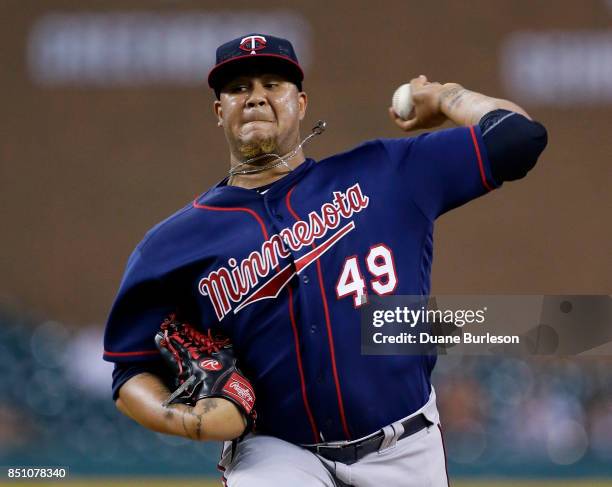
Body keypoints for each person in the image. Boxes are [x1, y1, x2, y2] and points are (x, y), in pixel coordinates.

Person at [103, 33, 548, 486]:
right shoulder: (173, 244)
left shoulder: (386, 173)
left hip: (404, 445)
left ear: (300, 102)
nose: (255, 98)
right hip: (277, 450)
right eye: (238, 89)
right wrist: (183, 420)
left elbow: (519, 138)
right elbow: (130, 368)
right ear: (220, 112)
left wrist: (446, 97)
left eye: (272, 84)